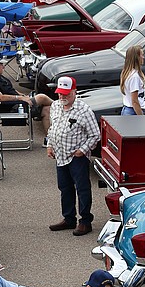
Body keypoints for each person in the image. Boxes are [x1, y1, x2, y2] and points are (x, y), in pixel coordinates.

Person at [47, 76, 100, 236]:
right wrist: (49, 144)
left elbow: (95, 135)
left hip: (77, 156)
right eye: (60, 94)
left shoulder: (84, 110)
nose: (62, 97)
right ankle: (69, 218)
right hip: (60, 155)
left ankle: (85, 221)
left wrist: (82, 150)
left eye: (66, 94)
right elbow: (52, 128)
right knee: (64, 187)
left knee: (82, 188)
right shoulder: (55, 106)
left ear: (74, 92)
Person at [0, 54, 52, 133]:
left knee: (46, 110)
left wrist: (23, 95)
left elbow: (11, 89)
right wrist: (19, 98)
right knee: (42, 97)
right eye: (1, 65)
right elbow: (0, 98)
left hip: (18, 103)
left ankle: (48, 140)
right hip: (10, 108)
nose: (3, 66)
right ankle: (61, 107)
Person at [119, 45, 145, 116]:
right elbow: (134, 101)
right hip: (133, 112)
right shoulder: (134, 77)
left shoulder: (126, 72)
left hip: (127, 109)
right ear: (136, 58)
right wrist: (141, 116)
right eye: (142, 55)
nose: (143, 57)